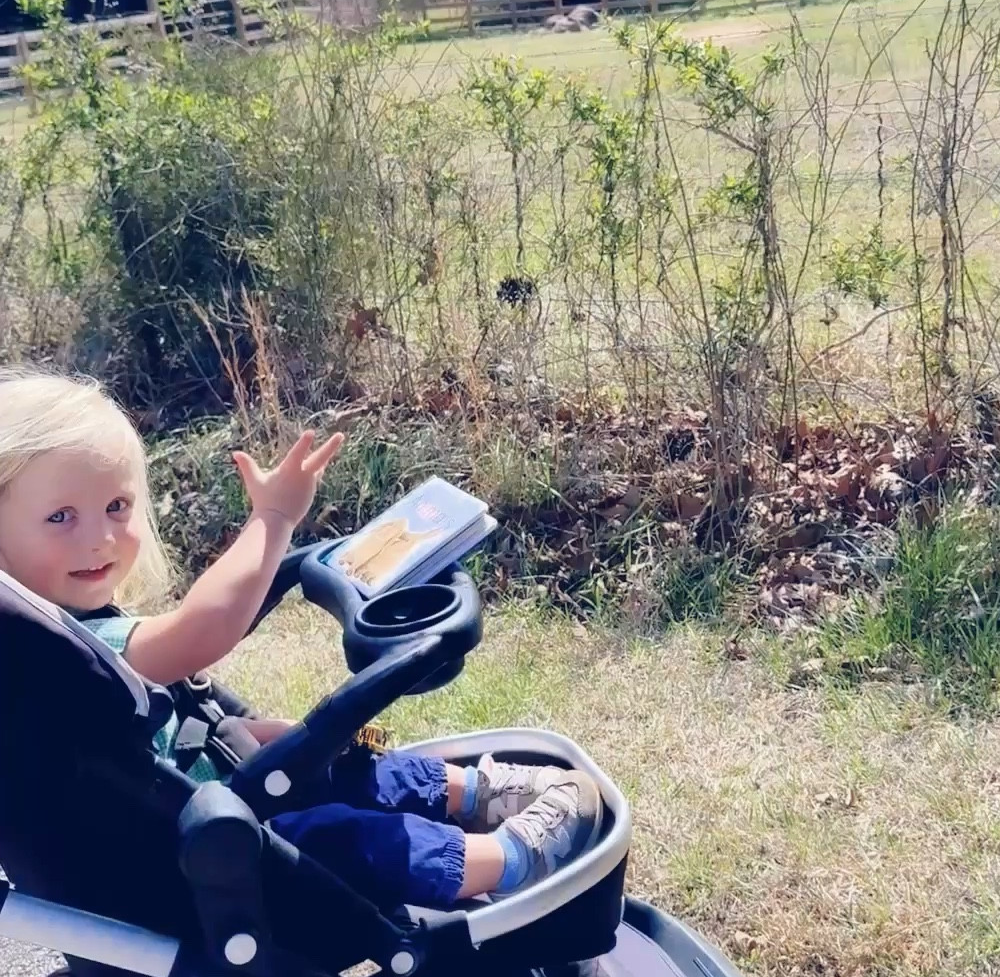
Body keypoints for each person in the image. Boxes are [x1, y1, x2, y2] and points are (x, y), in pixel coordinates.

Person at [0, 370, 602, 911]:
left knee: (329, 752)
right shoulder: (48, 647)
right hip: (205, 861)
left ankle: (476, 791)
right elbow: (198, 631)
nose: (102, 539)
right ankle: (510, 860)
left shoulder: (54, 623)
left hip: (198, 789)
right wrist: (273, 520)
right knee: (339, 839)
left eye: (116, 506)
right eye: (62, 517)